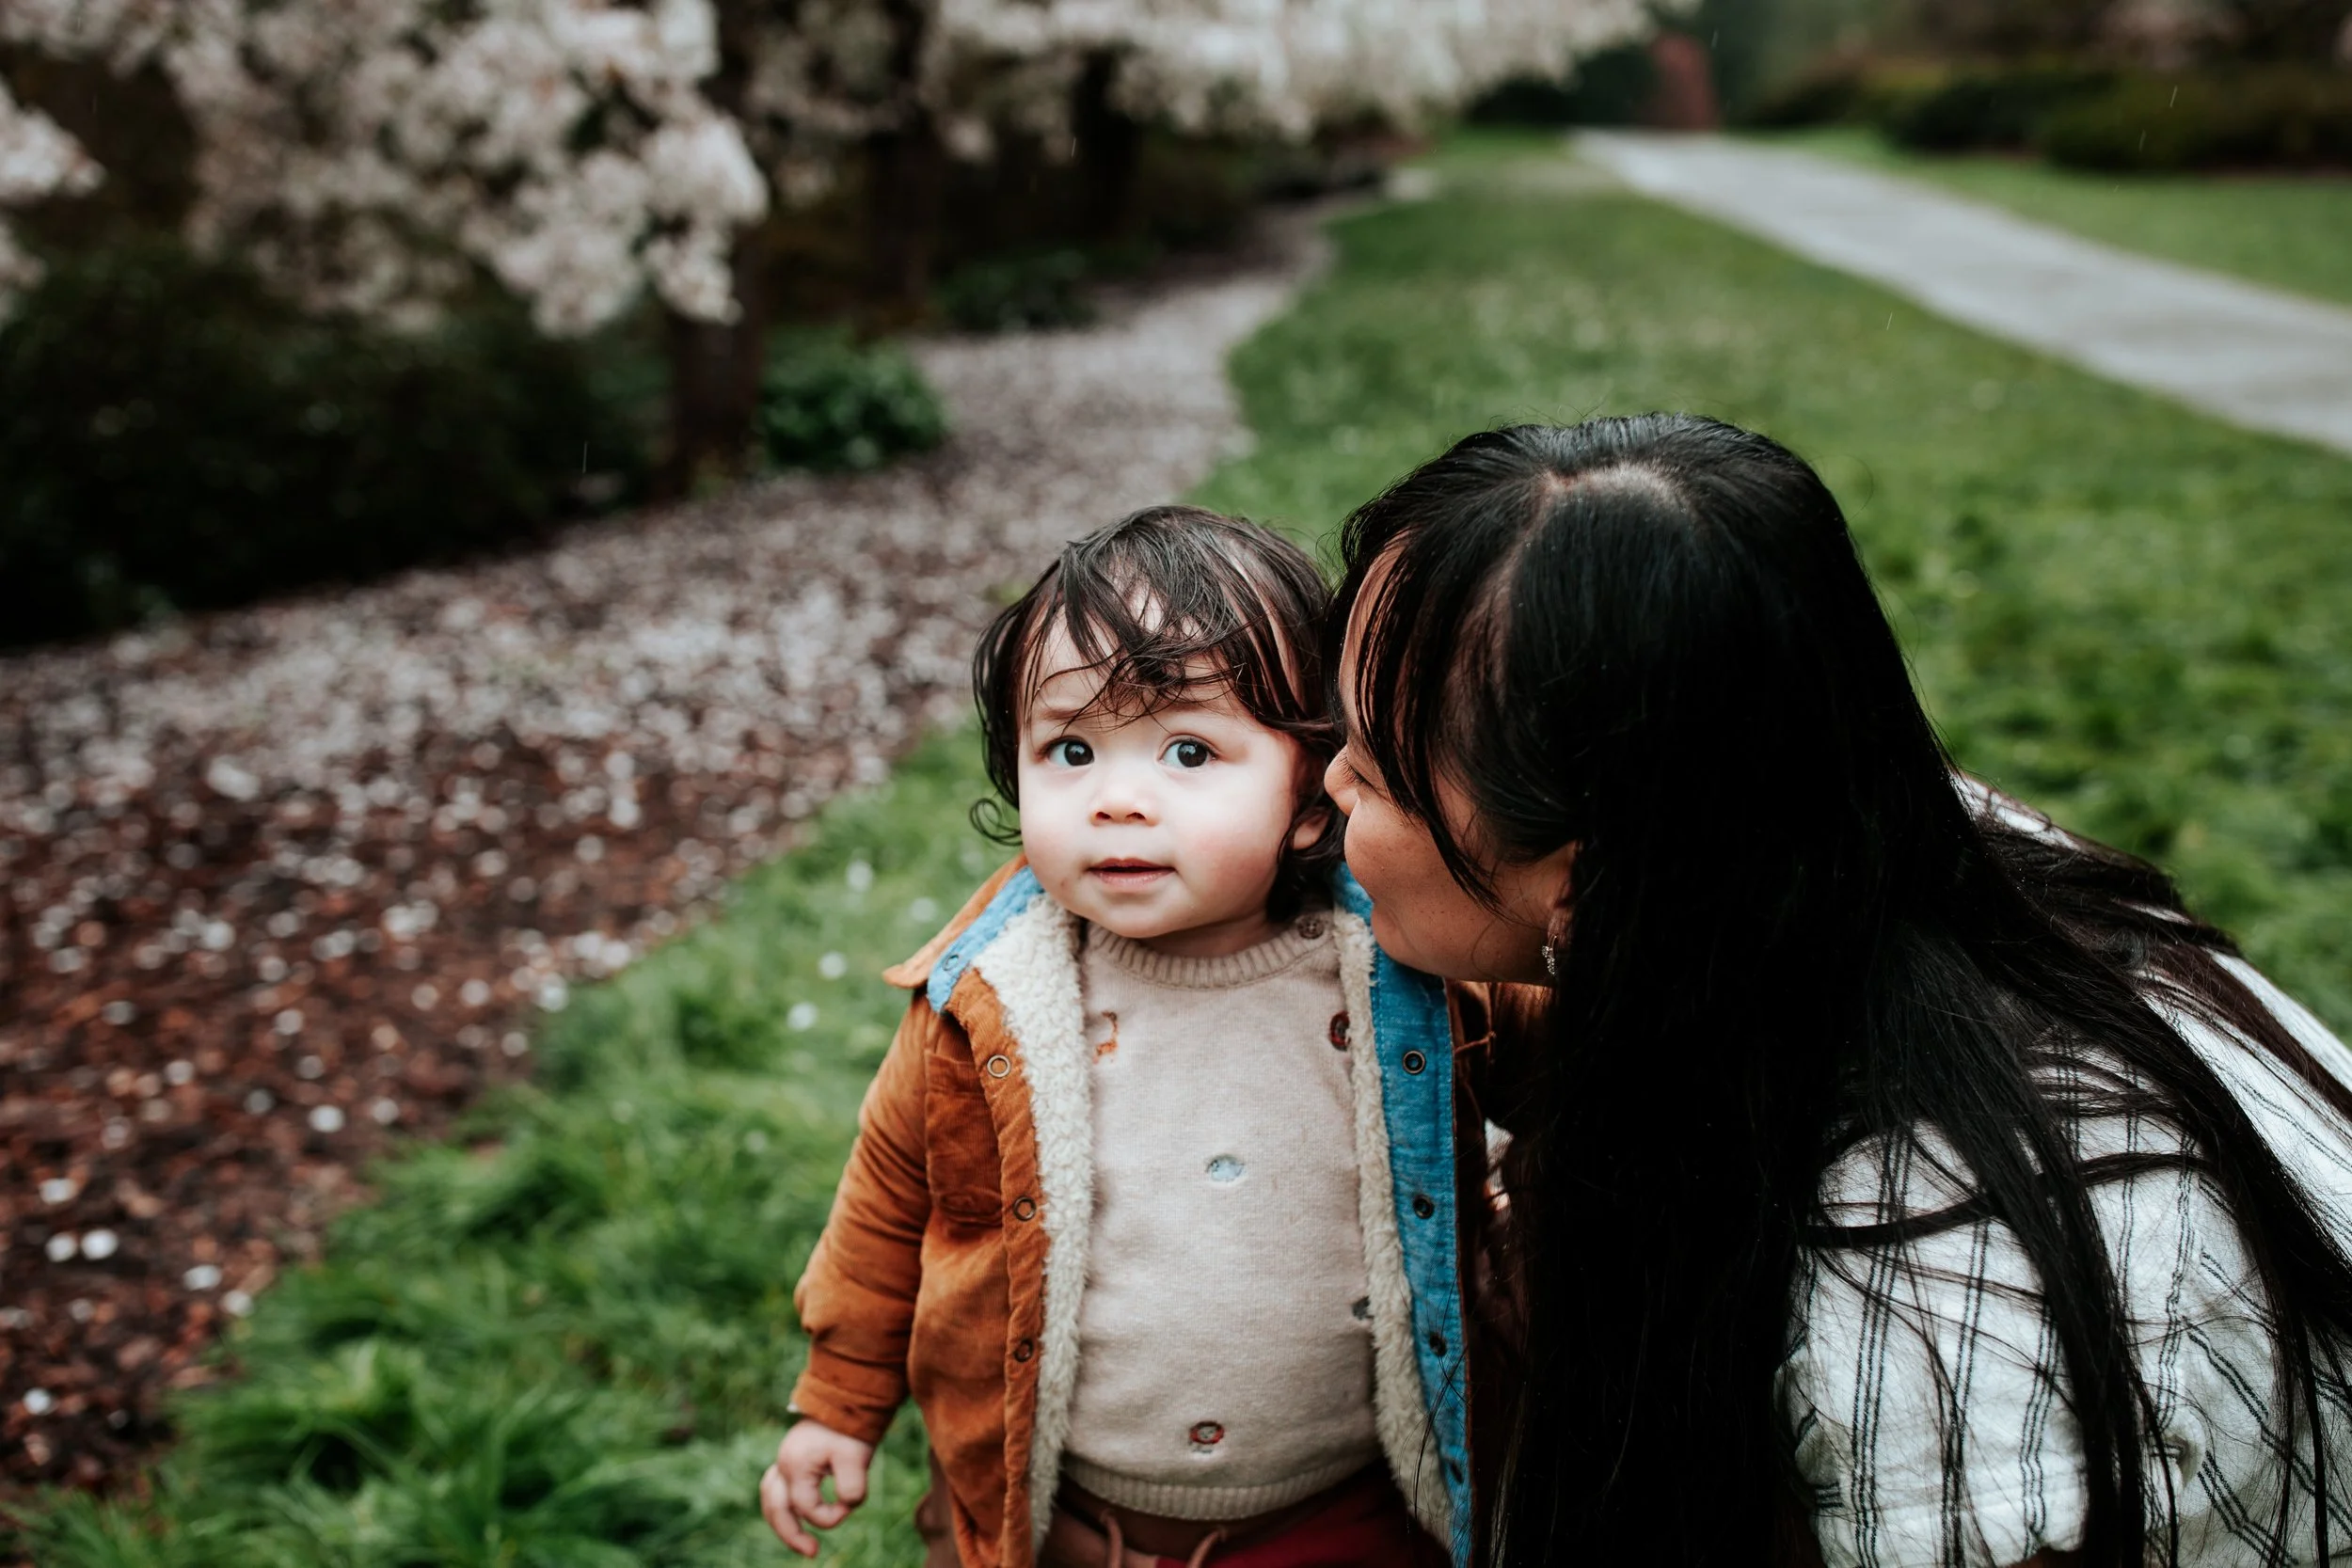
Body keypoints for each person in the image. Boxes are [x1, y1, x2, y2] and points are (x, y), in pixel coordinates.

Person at [1320, 415, 2352, 1568]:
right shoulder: (1842, 841)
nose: (1323, 783)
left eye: (1373, 767)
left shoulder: (1938, 1307)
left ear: (1590, 879)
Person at [759, 506, 1467, 1568]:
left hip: (1337, 1516)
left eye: (1188, 749)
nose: (1117, 800)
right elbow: (886, 1204)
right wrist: (840, 1402)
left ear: (1316, 796)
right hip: (1060, 1521)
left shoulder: (1401, 977)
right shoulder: (987, 1005)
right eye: (1070, 748)